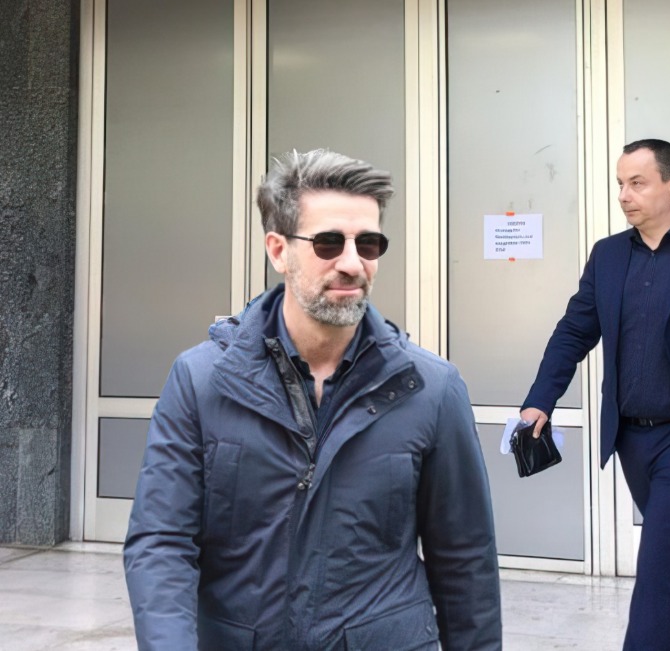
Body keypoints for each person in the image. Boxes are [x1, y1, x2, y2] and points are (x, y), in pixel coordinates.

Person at [123, 149, 502, 651]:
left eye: (369, 244)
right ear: (278, 250)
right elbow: (161, 542)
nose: (352, 263)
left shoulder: (431, 389)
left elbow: (465, 560)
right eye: (328, 243)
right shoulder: (201, 381)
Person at [521, 139, 670, 650]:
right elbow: (574, 331)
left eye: (637, 183)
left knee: (657, 566)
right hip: (632, 438)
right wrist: (541, 398)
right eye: (620, 184)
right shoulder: (608, 256)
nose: (624, 195)